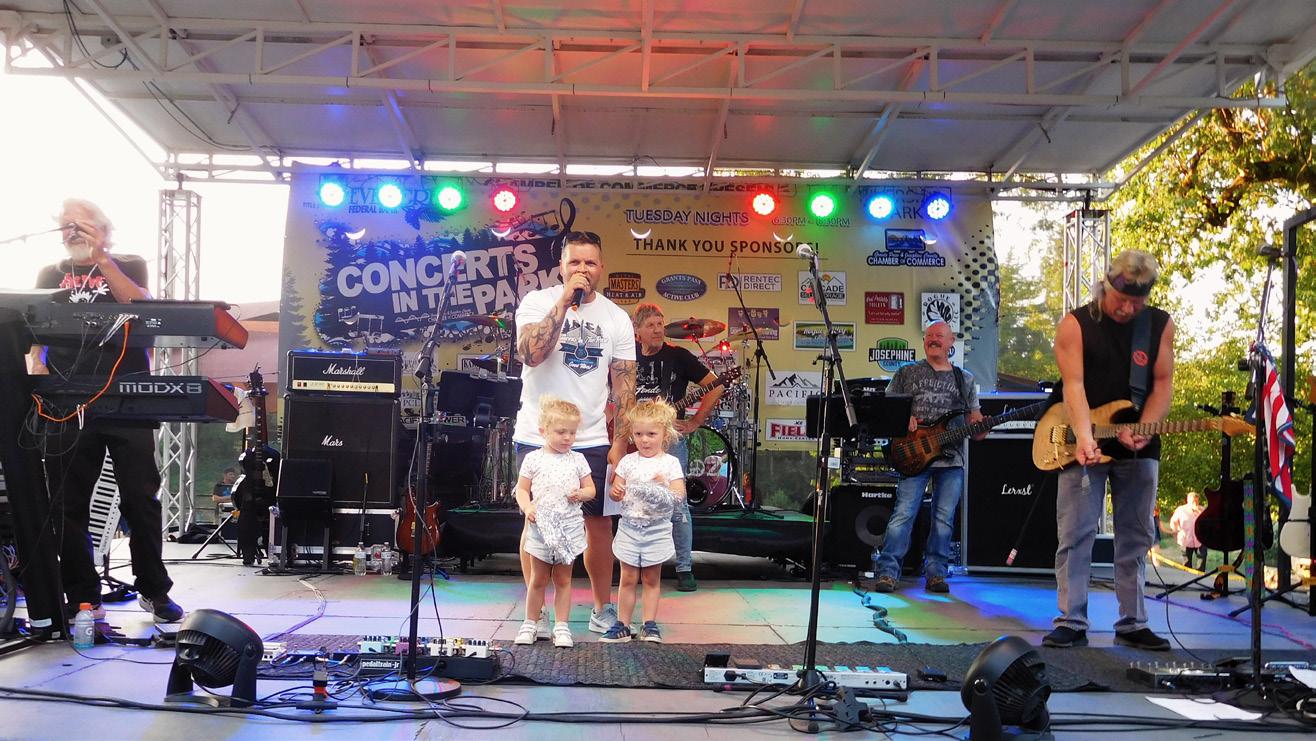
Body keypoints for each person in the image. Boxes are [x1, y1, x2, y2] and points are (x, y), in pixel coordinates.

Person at [27, 198, 185, 624]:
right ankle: (83, 597)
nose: (71, 231)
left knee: (140, 498)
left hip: (126, 399)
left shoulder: (128, 264)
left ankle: (154, 589)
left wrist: (102, 259)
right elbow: (35, 332)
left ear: (103, 229)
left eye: (80, 224)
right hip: (68, 402)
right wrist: (36, 366)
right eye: (66, 225)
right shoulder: (50, 274)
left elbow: (142, 307)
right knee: (68, 503)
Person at [1043, 249, 1174, 652]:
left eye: (1138, 302)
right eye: (1122, 300)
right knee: (1076, 532)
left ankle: (1133, 622)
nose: (1129, 309)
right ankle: (1071, 619)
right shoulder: (1075, 325)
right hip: (1083, 438)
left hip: (1138, 442)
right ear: (1105, 287)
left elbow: (1163, 383)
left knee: (1136, 534)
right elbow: (1074, 387)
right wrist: (1085, 437)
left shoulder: (1159, 325)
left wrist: (1146, 428)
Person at [513, 231, 637, 638]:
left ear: (601, 268)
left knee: (598, 525)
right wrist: (565, 301)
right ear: (562, 267)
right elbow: (531, 354)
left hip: (591, 438)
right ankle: (536, 614)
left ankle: (602, 609)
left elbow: (625, 386)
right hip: (538, 433)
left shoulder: (616, 318)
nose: (582, 269)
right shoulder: (537, 302)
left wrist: (620, 444)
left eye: (590, 263)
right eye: (575, 262)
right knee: (536, 520)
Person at [873, 320, 983, 594]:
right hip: (913, 455)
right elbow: (886, 410)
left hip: (952, 459)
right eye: (929, 335)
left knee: (944, 520)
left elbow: (976, 424)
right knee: (903, 514)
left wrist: (982, 426)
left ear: (951, 342)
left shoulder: (965, 379)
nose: (933, 339)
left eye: (939, 335)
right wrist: (903, 418)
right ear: (924, 341)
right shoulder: (906, 372)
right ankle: (887, 572)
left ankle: (936, 574)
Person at [631, 302, 725, 592]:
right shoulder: (628, 356)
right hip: (634, 439)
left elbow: (716, 385)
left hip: (671, 440)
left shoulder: (678, 356)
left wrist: (696, 420)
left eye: (660, 324)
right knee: (631, 499)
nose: (657, 330)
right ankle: (631, 563)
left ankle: (684, 567)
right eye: (650, 325)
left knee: (677, 503)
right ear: (637, 331)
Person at [513, 398, 595, 648]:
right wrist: (527, 507)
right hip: (541, 529)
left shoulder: (578, 459)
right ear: (543, 431)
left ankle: (562, 626)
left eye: (572, 432)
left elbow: (591, 489)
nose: (567, 438)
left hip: (568, 530)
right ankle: (531, 623)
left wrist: (582, 494)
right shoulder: (533, 459)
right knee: (538, 579)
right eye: (561, 432)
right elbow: (522, 489)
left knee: (563, 579)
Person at [602, 399, 685, 643]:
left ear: (665, 434)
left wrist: (663, 486)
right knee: (627, 577)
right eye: (638, 434)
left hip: (657, 529)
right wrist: (616, 492)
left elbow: (679, 495)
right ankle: (623, 624)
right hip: (629, 527)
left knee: (651, 578)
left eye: (651, 434)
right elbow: (615, 491)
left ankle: (649, 624)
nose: (644, 440)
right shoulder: (628, 461)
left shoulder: (670, 463)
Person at [1168, 491, 1207, 569]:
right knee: (1187, 564)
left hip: (1200, 540)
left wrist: (1199, 512)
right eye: (1193, 501)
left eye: (1197, 501)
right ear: (1188, 501)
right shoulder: (1181, 510)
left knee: (1202, 560)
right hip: (1185, 540)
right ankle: (1187, 575)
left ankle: (1200, 575)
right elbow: (1173, 522)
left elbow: (1208, 523)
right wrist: (1176, 531)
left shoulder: (1202, 510)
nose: (1195, 503)